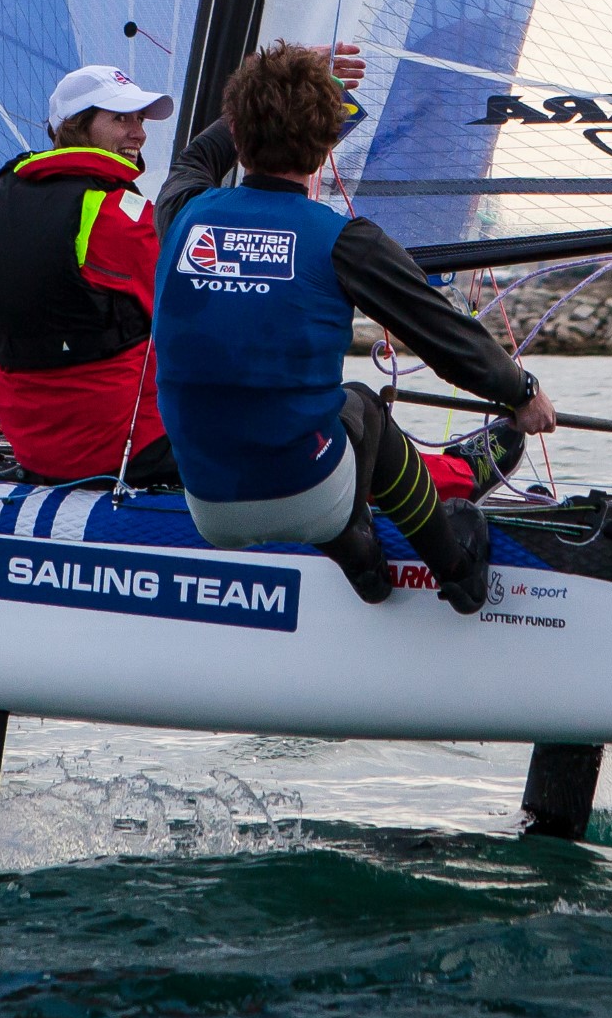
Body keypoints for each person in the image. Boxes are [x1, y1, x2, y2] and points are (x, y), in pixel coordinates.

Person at [152, 42, 557, 613]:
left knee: (305, 424)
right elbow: (445, 336)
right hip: (309, 497)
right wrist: (521, 392)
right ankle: (459, 573)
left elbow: (191, 161)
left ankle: (363, 563)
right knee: (362, 404)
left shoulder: (181, 215)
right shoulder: (344, 240)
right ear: (325, 147)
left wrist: (254, 95)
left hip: (208, 506)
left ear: (238, 138)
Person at [0, 63, 181, 486]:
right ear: (76, 126)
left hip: (36, 452)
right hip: (132, 448)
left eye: (140, 119)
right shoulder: (128, 220)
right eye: (120, 118)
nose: (139, 134)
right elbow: (187, 330)